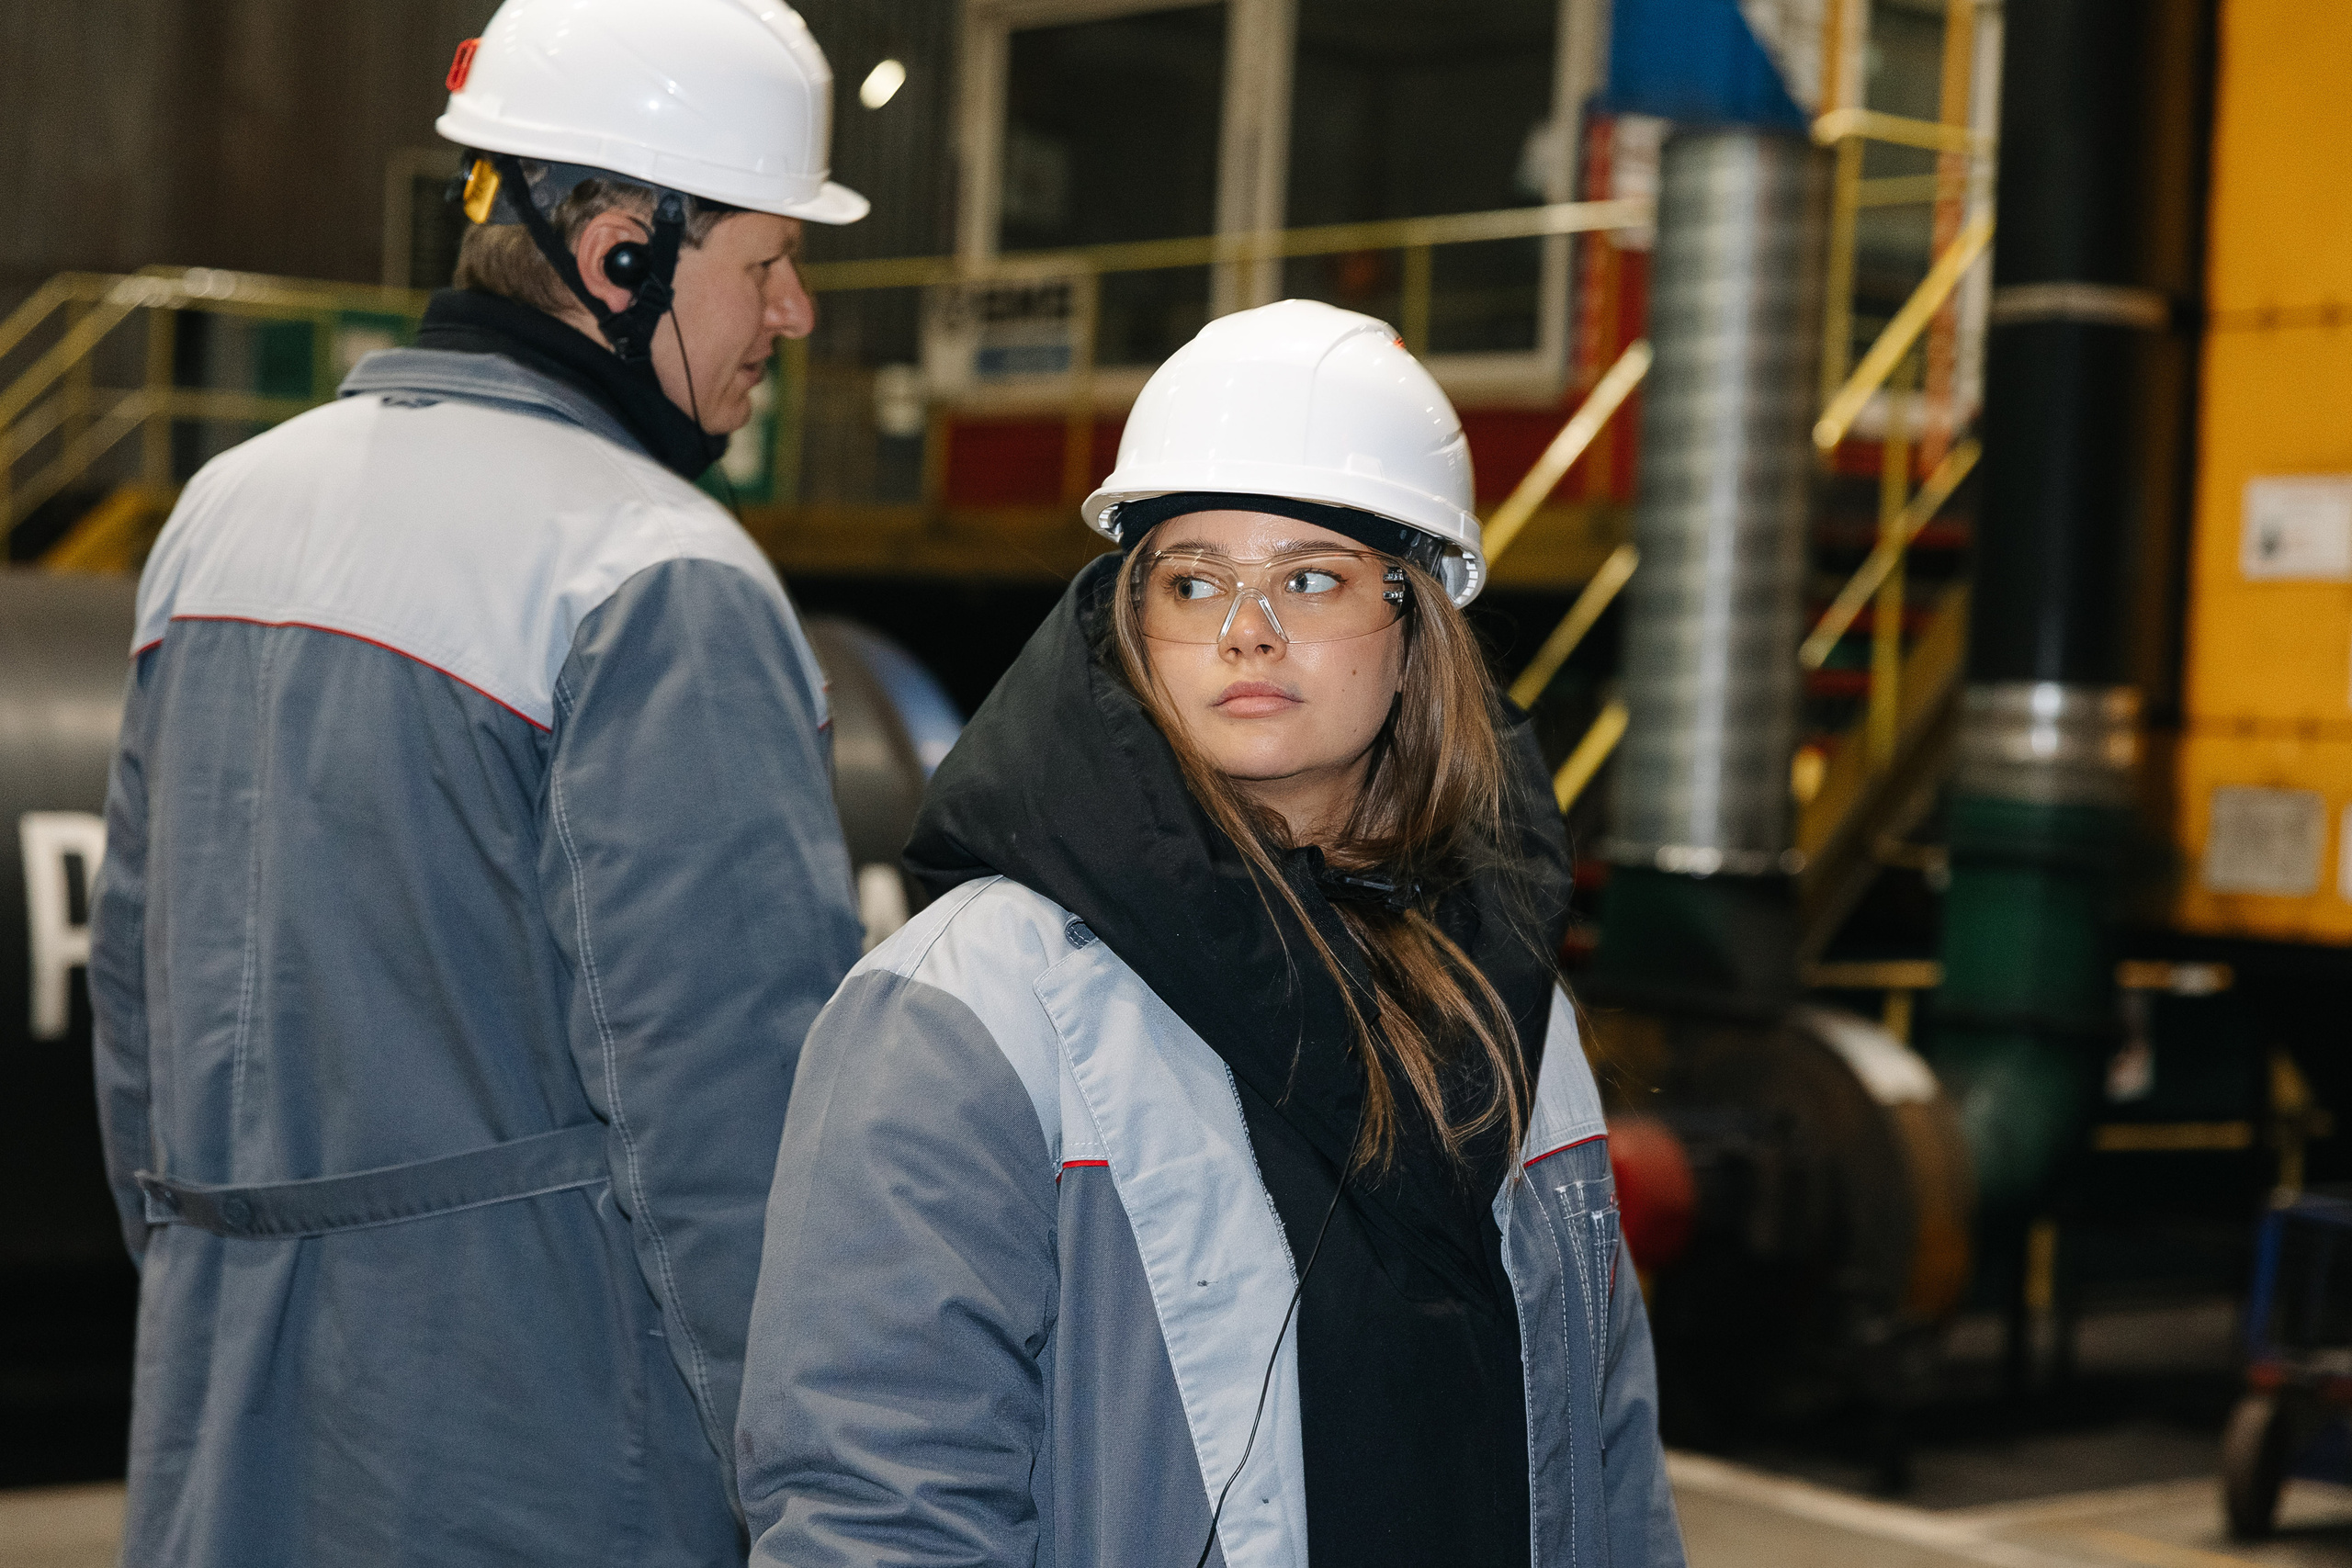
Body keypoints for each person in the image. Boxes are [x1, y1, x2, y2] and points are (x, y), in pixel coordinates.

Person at [87, 2, 867, 1562]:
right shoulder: (652, 575)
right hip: (551, 1466)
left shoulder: (223, 516)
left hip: (221, 1443)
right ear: (619, 255)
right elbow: (735, 1138)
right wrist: (826, 1503)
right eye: (768, 261)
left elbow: (134, 1030)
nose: (793, 314)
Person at [736, 299, 1685, 1567]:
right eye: (1194, 581)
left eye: (1310, 577)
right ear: (1131, 623)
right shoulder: (966, 1012)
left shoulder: (1505, 1000)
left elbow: (1608, 1462)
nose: (1247, 629)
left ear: (1417, 628)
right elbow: (874, 1508)